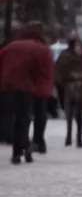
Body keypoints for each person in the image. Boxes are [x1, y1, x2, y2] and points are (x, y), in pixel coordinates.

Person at [0, 22, 52, 164]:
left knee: (15, 118)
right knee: (24, 119)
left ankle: (18, 151)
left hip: (7, 86)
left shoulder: (10, 47)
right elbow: (44, 73)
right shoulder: (40, 49)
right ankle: (24, 148)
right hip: (26, 87)